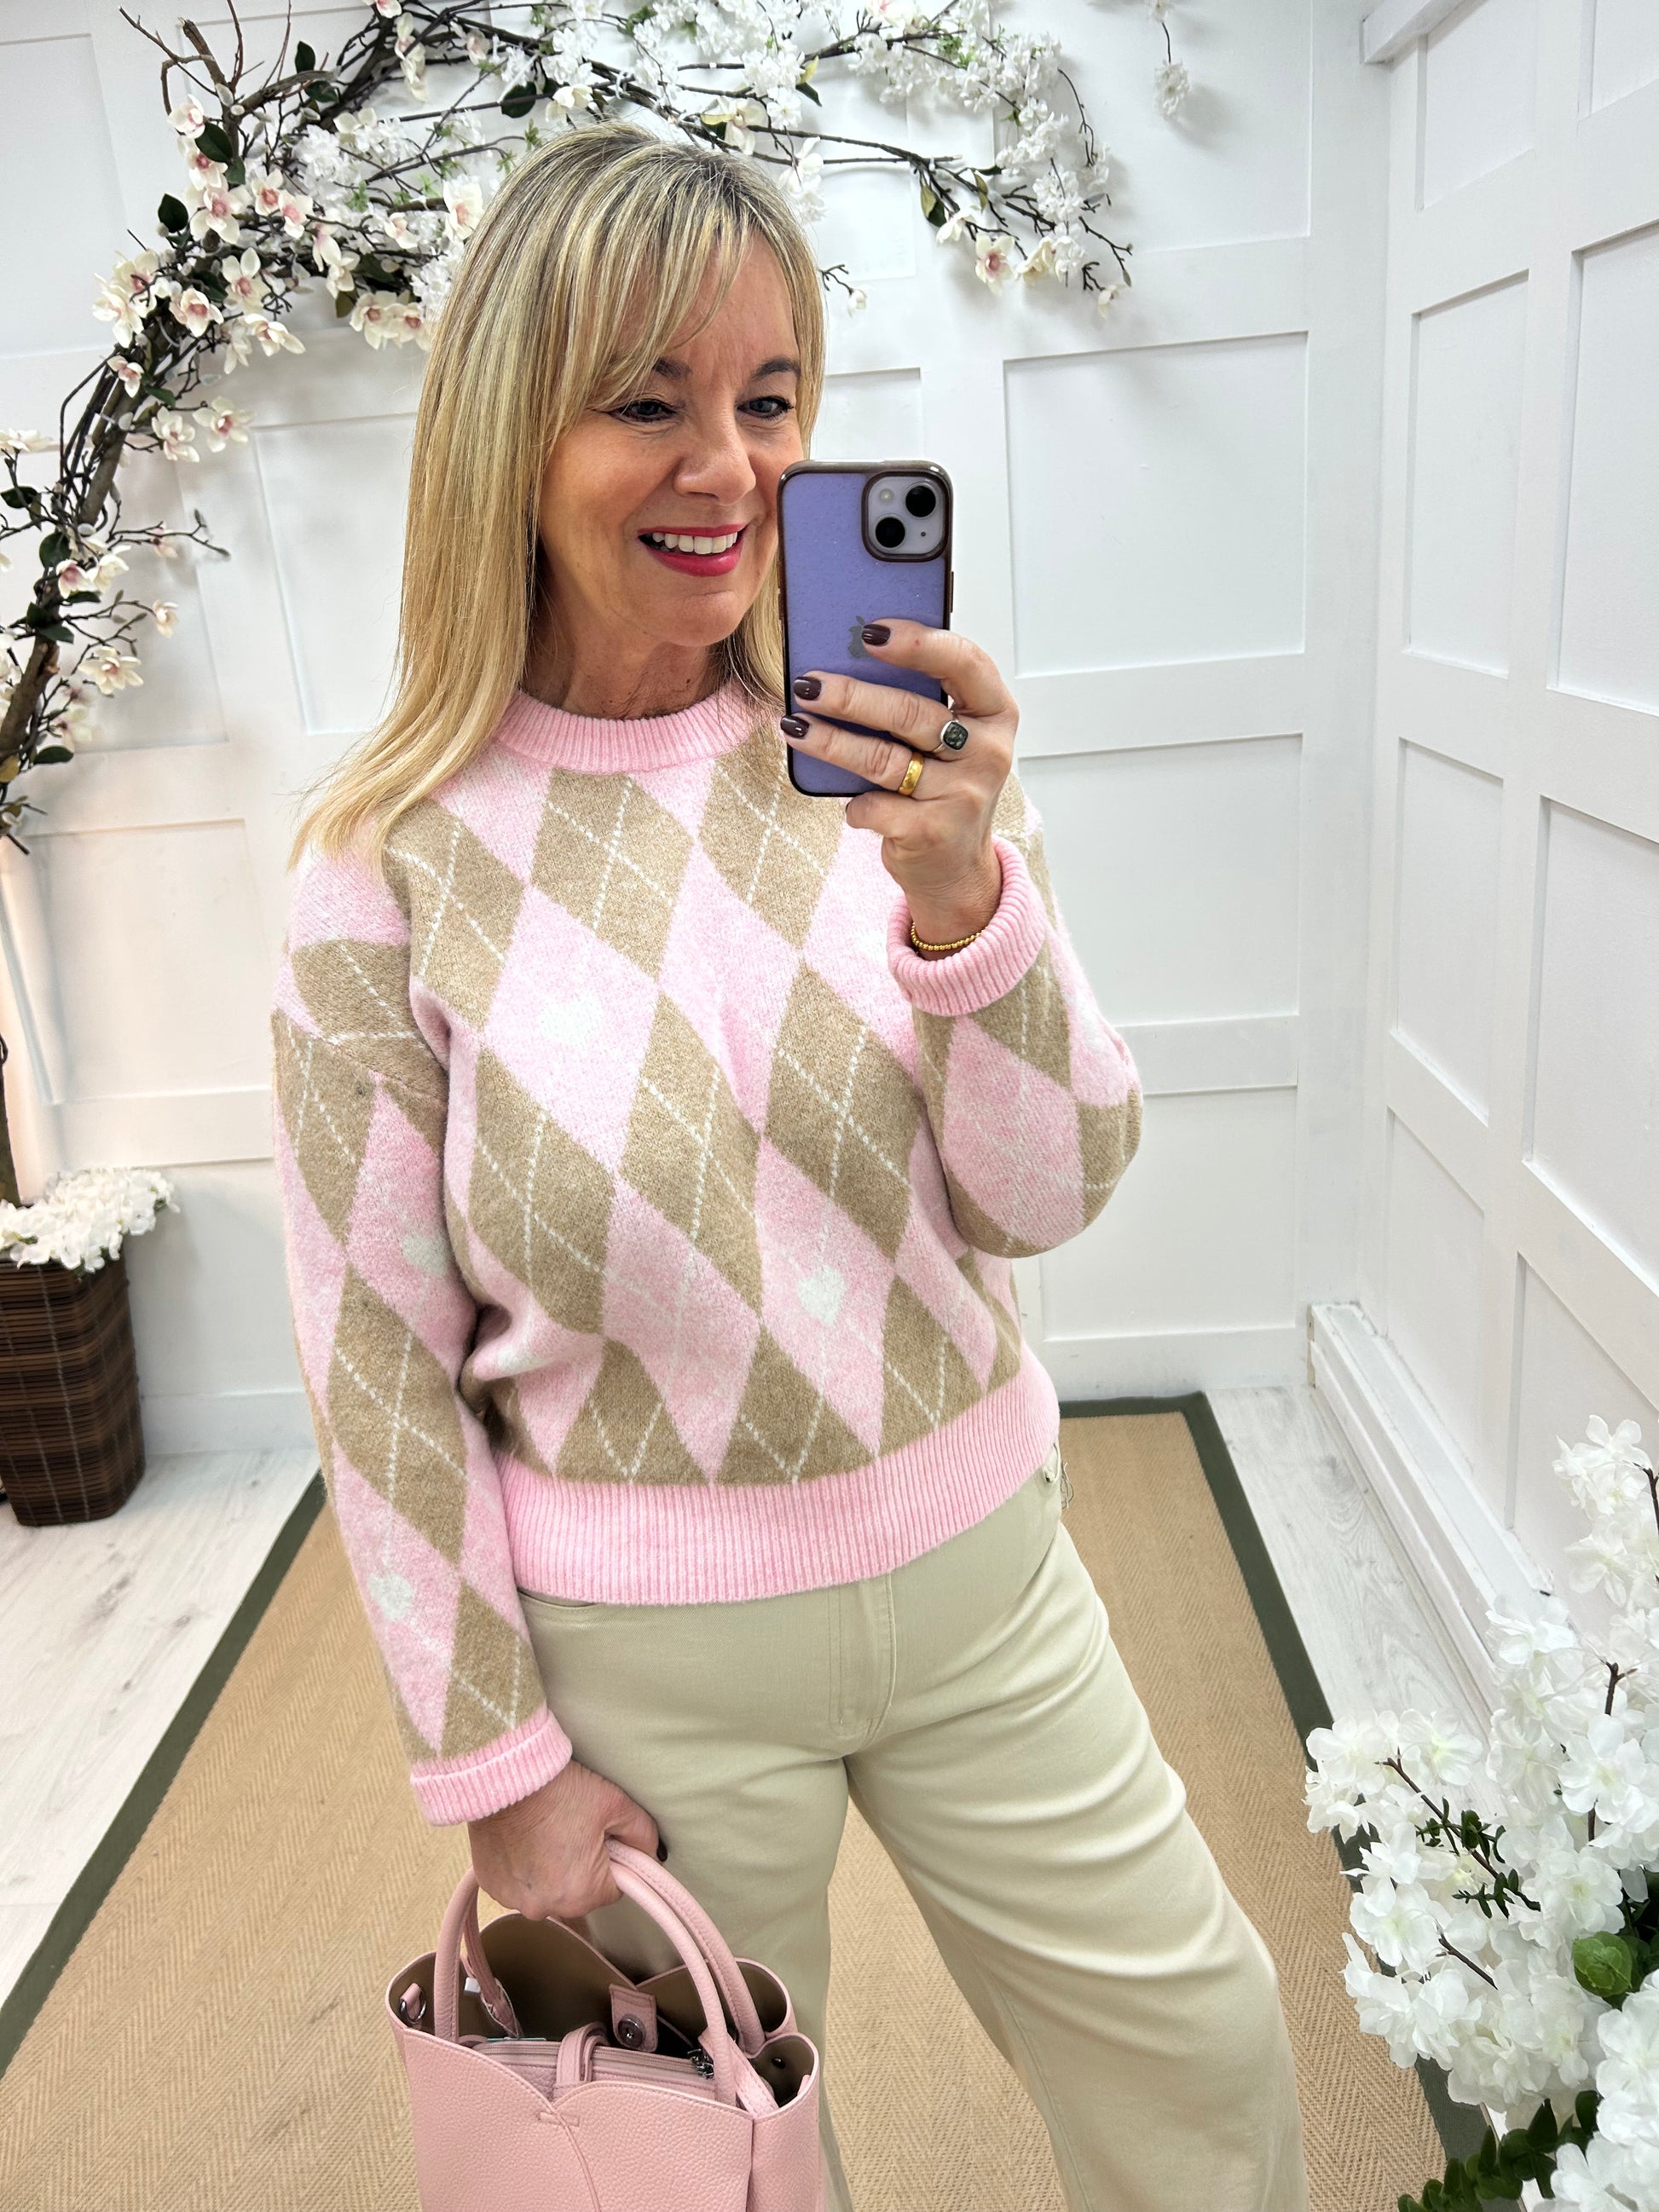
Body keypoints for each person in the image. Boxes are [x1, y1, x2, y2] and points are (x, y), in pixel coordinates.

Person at [270, 121, 1309, 2212]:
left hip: (982, 1582)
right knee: (705, 2172)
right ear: (509, 432)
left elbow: (1046, 1189)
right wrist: (495, 1766)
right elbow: (375, 1364)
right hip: (643, 1674)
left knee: (1203, 2045)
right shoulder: (384, 866)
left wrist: (965, 902)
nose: (728, 468)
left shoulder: (892, 760)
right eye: (646, 401)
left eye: (768, 399)